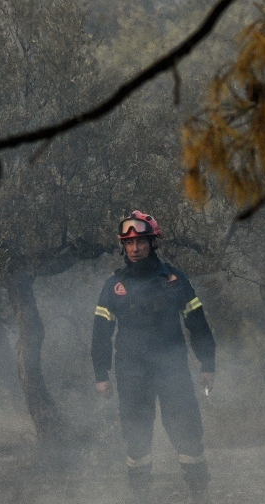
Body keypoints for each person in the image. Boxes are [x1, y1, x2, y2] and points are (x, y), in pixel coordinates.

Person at [92, 211, 216, 504]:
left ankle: (200, 495)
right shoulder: (114, 286)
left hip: (172, 368)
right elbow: (100, 332)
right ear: (124, 246)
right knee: (136, 437)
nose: (135, 249)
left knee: (187, 431)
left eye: (141, 242)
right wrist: (101, 374)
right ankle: (139, 496)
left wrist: (207, 363)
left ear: (152, 242)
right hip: (130, 370)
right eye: (129, 243)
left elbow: (197, 322)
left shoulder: (174, 279)